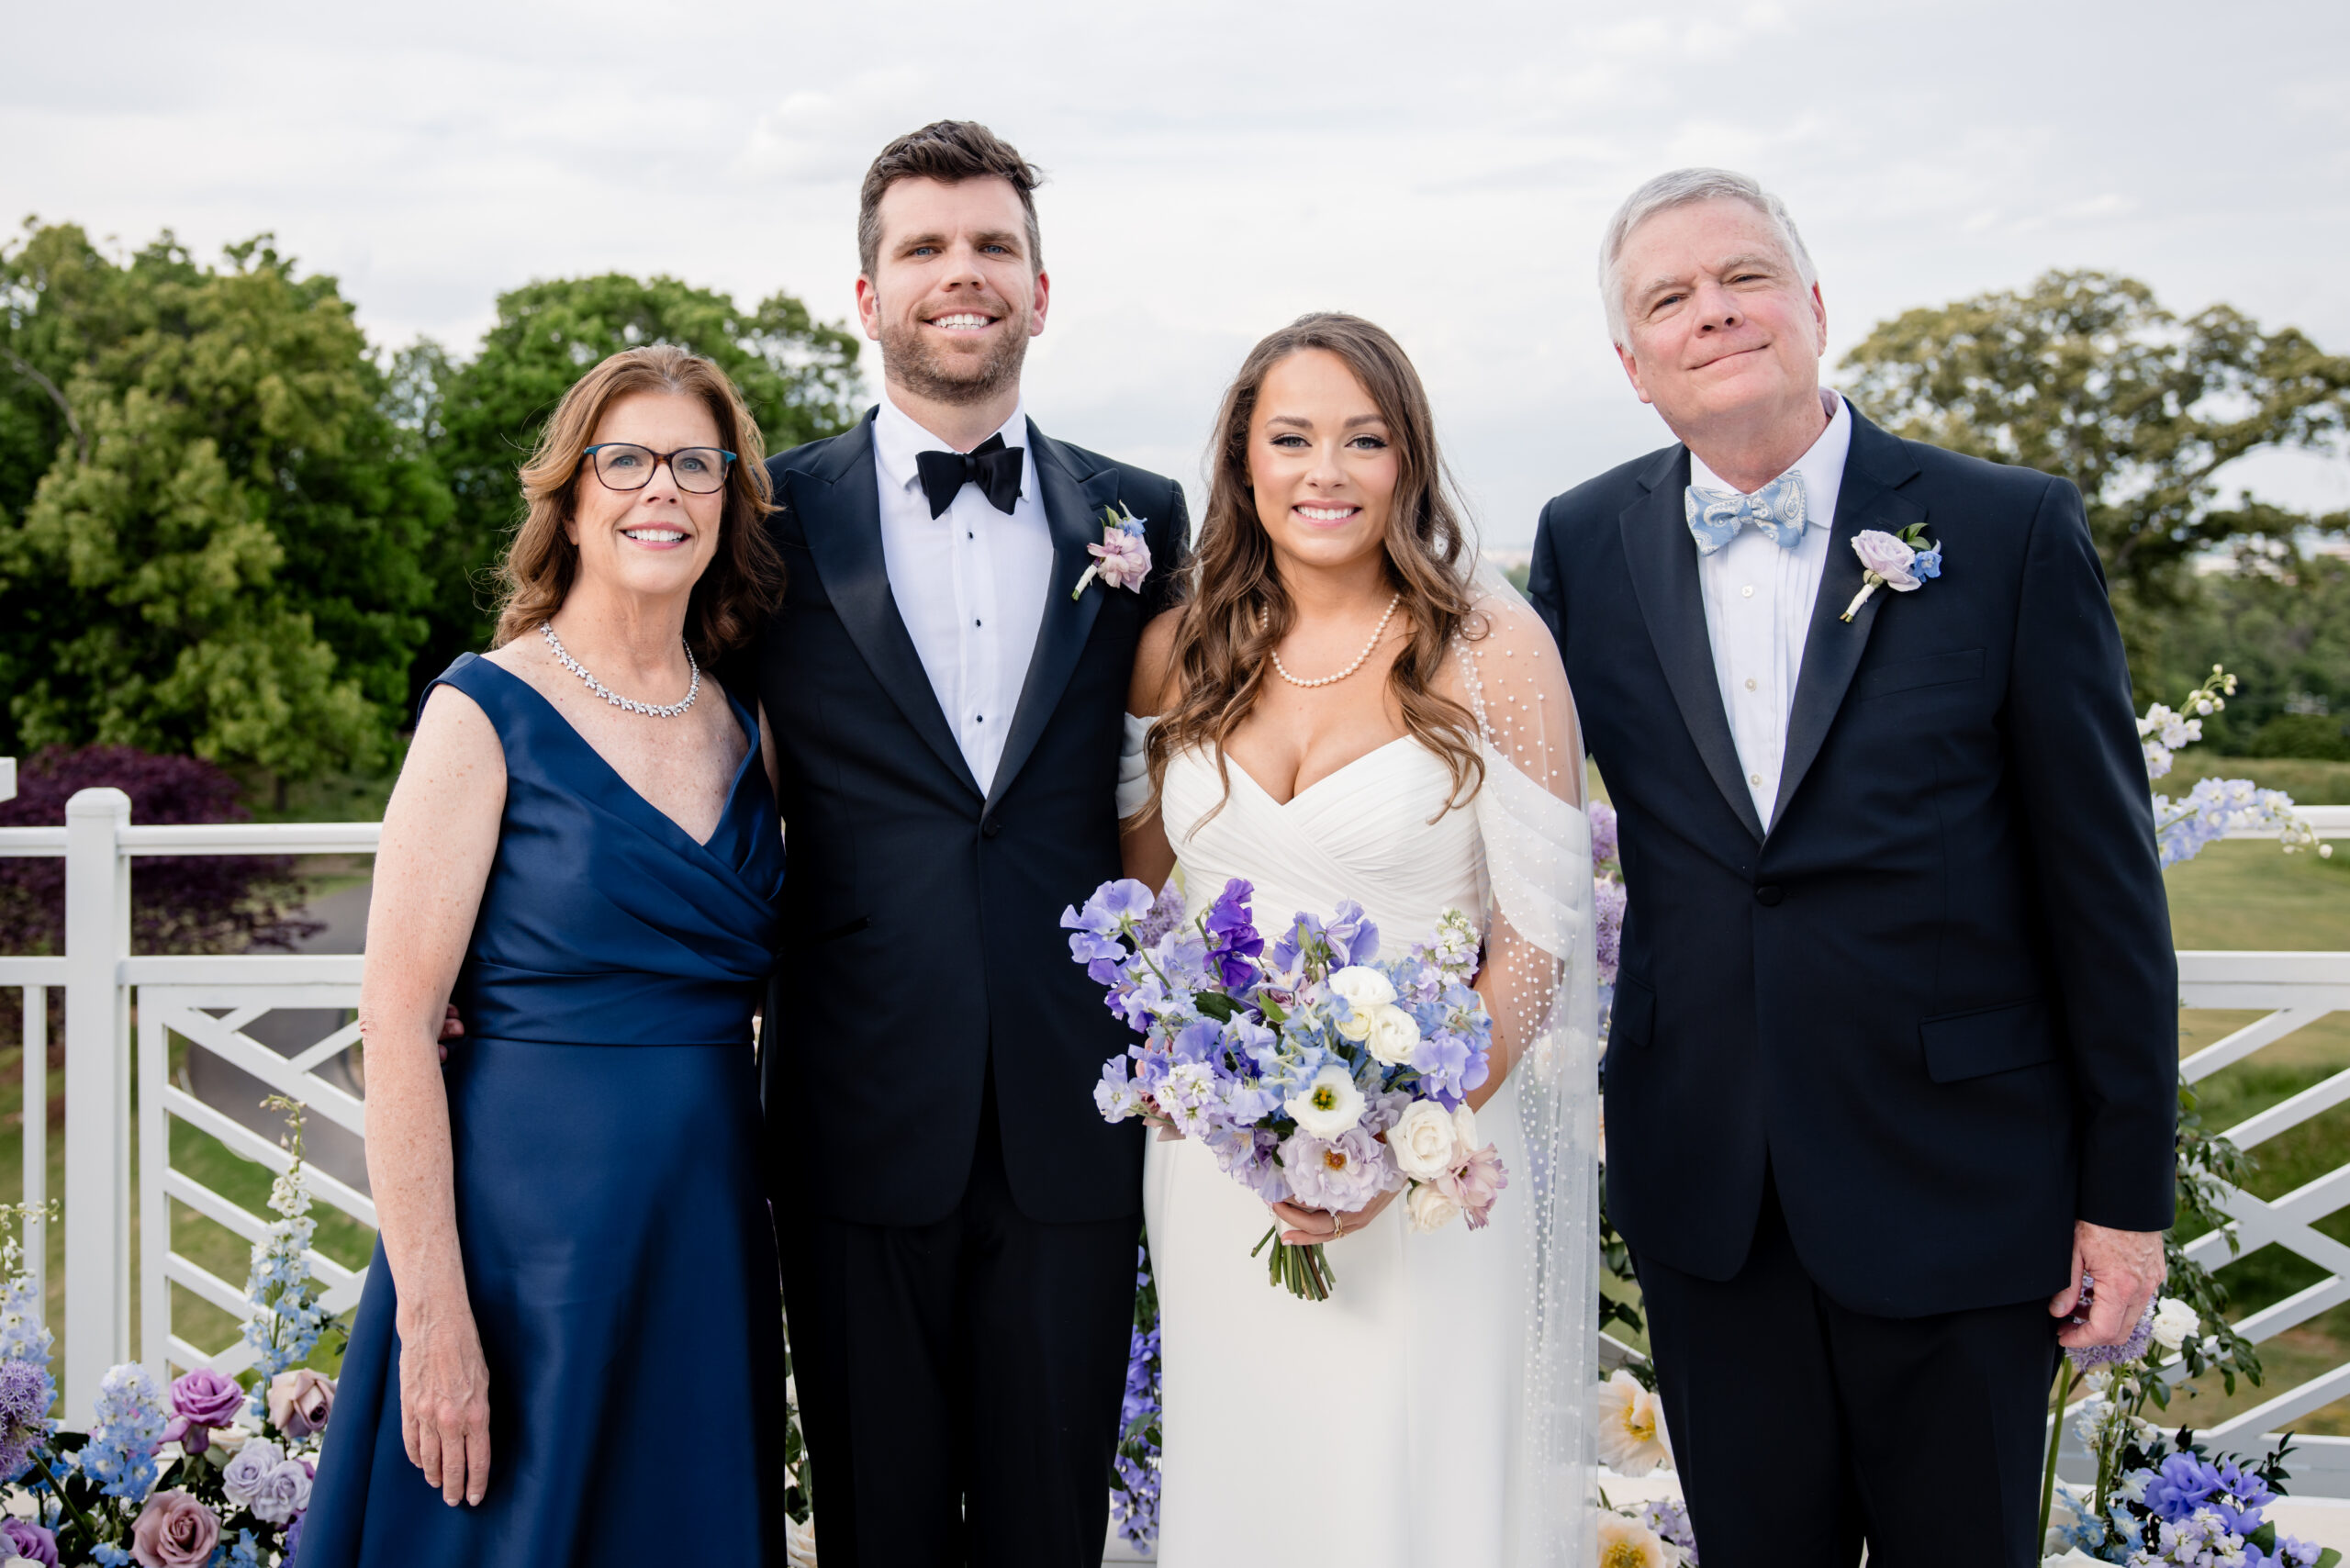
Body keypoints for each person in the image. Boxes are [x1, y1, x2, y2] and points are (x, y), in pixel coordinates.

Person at [1526, 169, 2177, 1566]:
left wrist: (2125, 1205)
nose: (1714, 313)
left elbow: (2106, 888)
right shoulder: (1581, 543)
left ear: (1814, 308)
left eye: (1743, 277)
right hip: (1711, 1195)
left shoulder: (2009, 529)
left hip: (1962, 1190)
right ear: (1633, 367)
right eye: (1669, 299)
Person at [745, 121, 1189, 1567]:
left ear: (1041, 293)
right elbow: (654, 721)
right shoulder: (769, 518)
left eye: (994, 245)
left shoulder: (1144, 517)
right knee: (876, 1526)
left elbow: (1189, 773)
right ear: (866, 294)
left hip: (1078, 1107)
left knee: (1050, 1524)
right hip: (855, 1103)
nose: (963, 272)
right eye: (924, 247)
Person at [1121, 313, 1597, 1567]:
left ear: (1409, 462)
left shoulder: (1493, 653)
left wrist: (1391, 1145)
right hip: (1224, 1179)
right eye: (1291, 438)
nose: (1324, 471)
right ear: (1242, 462)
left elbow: (1537, 947)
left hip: (1430, 1175)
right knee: (1250, 1484)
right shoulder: (1175, 652)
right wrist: (1219, 1097)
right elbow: (1143, 907)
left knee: (1409, 1486)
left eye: (1363, 439)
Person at [303, 346, 792, 1565]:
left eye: (694, 463)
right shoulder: (483, 712)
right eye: (623, 461)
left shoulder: (754, 731)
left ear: (729, 502)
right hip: (517, 1254)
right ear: (570, 501)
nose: (659, 490)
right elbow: (400, 1024)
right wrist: (435, 1320)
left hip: (702, 1239)